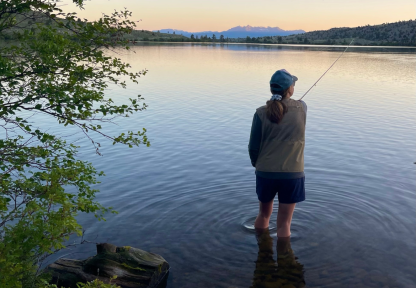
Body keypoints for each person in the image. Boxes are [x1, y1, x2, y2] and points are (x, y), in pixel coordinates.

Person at [248, 69, 307, 237]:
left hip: (265, 172)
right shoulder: (302, 108)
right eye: (293, 84)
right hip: (292, 174)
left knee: (263, 215)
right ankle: (285, 259)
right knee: (284, 224)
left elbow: (253, 147)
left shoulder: (260, 112)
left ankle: (262, 253)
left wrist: (257, 164)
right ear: (290, 89)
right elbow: (298, 105)